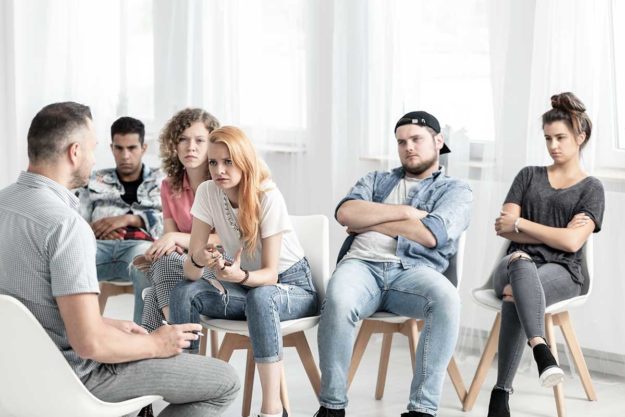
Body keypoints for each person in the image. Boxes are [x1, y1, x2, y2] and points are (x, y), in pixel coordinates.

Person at [0, 102, 239, 417]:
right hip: (78, 378)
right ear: (74, 152)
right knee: (225, 382)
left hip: (17, 374)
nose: (94, 157)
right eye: (92, 148)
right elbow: (89, 345)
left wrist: (107, 323)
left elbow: (36, 308)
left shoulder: (5, 203)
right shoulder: (66, 226)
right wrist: (157, 343)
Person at [314, 111, 472, 417]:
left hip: (415, 272)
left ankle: (422, 410)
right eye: (402, 142)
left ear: (438, 141)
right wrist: (407, 213)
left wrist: (372, 221)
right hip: (361, 265)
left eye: (416, 139)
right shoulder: (376, 179)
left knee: (447, 300)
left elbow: (431, 235)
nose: (408, 147)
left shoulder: (456, 190)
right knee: (339, 299)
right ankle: (332, 407)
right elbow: (346, 214)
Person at [169, 126, 318, 417]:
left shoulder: (267, 195)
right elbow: (191, 272)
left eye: (228, 162)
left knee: (261, 298)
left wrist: (242, 278)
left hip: (292, 287)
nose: (219, 170)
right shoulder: (207, 192)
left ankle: (273, 410)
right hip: (248, 287)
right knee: (184, 293)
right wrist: (201, 258)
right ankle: (188, 396)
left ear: (244, 161)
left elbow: (271, 275)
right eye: (213, 162)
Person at [488, 92, 605, 417]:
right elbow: (503, 228)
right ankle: (542, 349)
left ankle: (500, 397)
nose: (553, 145)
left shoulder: (591, 188)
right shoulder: (528, 175)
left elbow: (570, 244)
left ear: (580, 137)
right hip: (512, 265)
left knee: (515, 294)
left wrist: (523, 223)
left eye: (561, 138)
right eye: (548, 138)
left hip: (563, 273)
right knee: (520, 263)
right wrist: (553, 232)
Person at [139, 108, 221, 331]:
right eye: (183, 139)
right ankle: (176, 339)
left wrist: (175, 237)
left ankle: (172, 336)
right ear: (173, 145)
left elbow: (224, 238)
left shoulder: (221, 182)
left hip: (219, 264)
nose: (190, 147)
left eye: (199, 140)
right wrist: (170, 241)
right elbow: (170, 242)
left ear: (212, 145)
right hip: (186, 265)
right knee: (162, 261)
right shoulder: (168, 185)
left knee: (157, 286)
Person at [77, 116, 163, 323]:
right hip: (98, 247)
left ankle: (143, 337)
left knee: (147, 263)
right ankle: (72, 339)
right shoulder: (94, 179)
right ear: (111, 147)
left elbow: (168, 227)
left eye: (132, 148)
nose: (125, 155)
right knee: (67, 261)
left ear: (143, 147)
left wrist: (130, 220)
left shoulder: (162, 181)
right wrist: (92, 229)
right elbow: (77, 222)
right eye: (119, 148)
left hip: (139, 247)